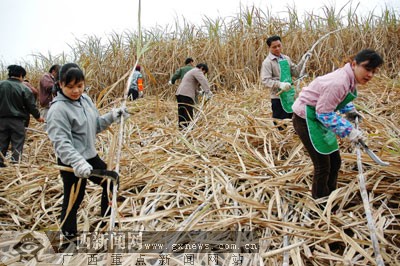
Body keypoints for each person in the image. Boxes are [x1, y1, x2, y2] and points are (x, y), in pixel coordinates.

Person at [46, 63, 130, 241]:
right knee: (73, 200)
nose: (76, 91)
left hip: (90, 157)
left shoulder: (85, 100)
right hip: (72, 163)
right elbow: (61, 143)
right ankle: (69, 240)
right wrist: (77, 162)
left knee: (111, 182)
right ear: (60, 84)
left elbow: (95, 125)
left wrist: (113, 116)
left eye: (80, 85)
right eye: (70, 87)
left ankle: (107, 220)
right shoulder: (58, 110)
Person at [292, 49, 383, 200]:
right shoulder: (339, 82)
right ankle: (321, 204)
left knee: (335, 161)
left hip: (318, 116)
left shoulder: (350, 79)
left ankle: (331, 196)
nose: (370, 75)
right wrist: (350, 131)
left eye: (374, 71)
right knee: (323, 166)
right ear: (354, 64)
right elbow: (324, 113)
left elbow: (338, 99)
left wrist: (350, 111)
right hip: (306, 119)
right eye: (367, 69)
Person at [260, 35, 311, 129]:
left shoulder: (286, 58)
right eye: (274, 47)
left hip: (290, 95)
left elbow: (296, 72)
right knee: (281, 124)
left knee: (293, 122)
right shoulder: (267, 62)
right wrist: (280, 84)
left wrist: (304, 60)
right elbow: (265, 80)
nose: (277, 48)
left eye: (279, 45)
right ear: (269, 47)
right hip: (278, 97)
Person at [0, 65, 44, 167]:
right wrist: (38, 117)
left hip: (1, 120)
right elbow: (31, 106)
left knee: (1, 142)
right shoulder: (24, 88)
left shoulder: (1, 84)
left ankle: (0, 164)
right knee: (17, 143)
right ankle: (15, 165)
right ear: (21, 75)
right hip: (17, 121)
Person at [175, 63, 213, 129]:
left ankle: (181, 128)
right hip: (186, 95)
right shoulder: (197, 71)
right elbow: (203, 80)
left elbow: (192, 86)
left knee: (182, 113)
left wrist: (200, 93)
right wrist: (208, 91)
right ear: (201, 68)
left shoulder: (190, 72)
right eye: (204, 72)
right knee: (188, 112)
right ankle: (188, 129)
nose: (203, 74)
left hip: (180, 94)